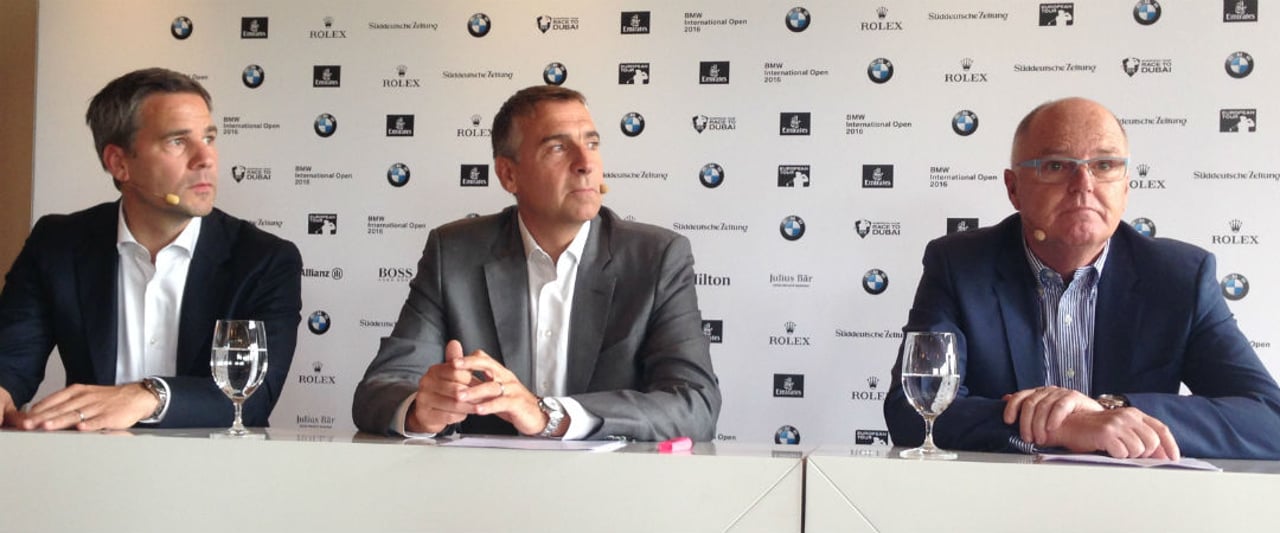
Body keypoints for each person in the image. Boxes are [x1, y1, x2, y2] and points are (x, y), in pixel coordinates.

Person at [884, 97, 1280, 460]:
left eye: (1105, 165)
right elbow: (911, 409)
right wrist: (1065, 425)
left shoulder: (1180, 277)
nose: (1084, 185)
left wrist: (1113, 412)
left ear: (1126, 187)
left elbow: (1269, 420)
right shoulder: (959, 265)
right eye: (1055, 166)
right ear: (1013, 188)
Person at [353, 85, 720, 441]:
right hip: (480, 491)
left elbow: (694, 405)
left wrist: (549, 416)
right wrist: (423, 409)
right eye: (558, 147)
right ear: (508, 174)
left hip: (611, 490)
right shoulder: (454, 254)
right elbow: (380, 390)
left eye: (592, 143)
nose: (586, 163)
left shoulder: (656, 258)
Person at [0, 68, 302, 430]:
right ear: (119, 163)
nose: (205, 158)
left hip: (217, 473)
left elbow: (252, 398)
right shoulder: (58, 244)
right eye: (178, 141)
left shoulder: (263, 260)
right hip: (89, 468)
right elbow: (12, 361)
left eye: (209, 137)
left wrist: (148, 396)